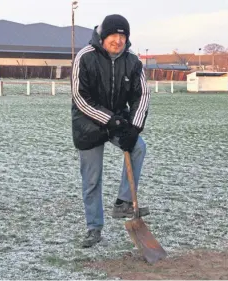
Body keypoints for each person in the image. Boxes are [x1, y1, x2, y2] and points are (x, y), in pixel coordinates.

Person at [71, 14, 151, 248]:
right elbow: (80, 98)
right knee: (92, 180)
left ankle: (123, 202)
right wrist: (110, 121)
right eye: (113, 35)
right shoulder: (84, 57)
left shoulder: (133, 61)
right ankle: (94, 228)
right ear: (103, 36)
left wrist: (134, 127)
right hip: (89, 124)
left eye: (122, 36)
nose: (118, 40)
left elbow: (142, 95)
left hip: (119, 119)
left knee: (139, 147)